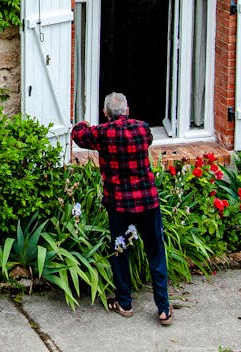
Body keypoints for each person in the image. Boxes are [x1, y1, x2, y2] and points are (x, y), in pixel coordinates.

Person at [72, 91, 173, 325]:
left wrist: (84, 122)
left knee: (120, 251)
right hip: (147, 201)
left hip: (119, 204)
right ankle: (164, 308)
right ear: (127, 111)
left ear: (106, 113)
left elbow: (79, 135)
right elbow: (148, 140)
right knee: (156, 252)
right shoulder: (142, 128)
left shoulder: (102, 133)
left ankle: (124, 303)